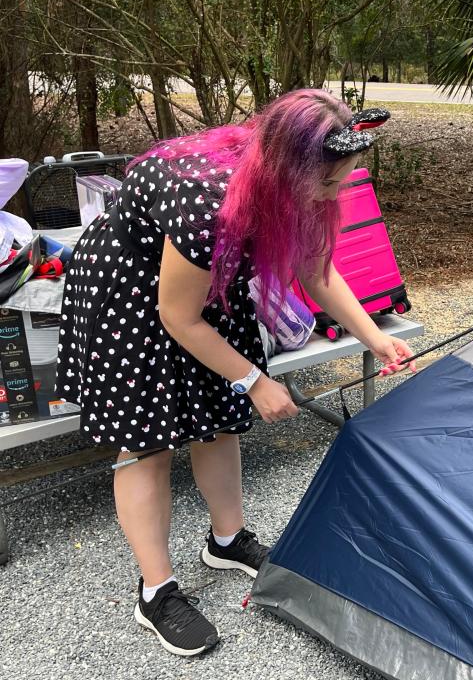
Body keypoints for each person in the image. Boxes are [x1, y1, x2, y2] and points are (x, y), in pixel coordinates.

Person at [55, 89, 416, 657]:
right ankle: (156, 590)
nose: (334, 192)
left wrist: (376, 338)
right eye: (326, 183)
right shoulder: (207, 200)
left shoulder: (297, 178)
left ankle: (226, 541)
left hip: (205, 288)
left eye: (340, 180)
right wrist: (255, 379)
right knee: (145, 446)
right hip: (126, 297)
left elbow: (315, 272)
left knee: (220, 420)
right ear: (286, 167)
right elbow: (176, 316)